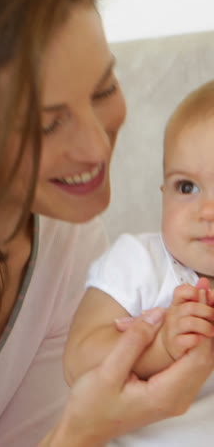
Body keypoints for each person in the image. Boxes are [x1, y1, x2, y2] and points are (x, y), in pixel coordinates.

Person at [0, 0, 214, 446]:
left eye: (103, 89)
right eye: (47, 125)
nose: (97, 148)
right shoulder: (140, 265)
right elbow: (87, 363)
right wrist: (86, 429)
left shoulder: (65, 237)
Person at [64, 80, 214, 446]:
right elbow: (78, 359)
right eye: (187, 187)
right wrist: (159, 345)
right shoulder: (140, 262)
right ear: (163, 192)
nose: (206, 212)